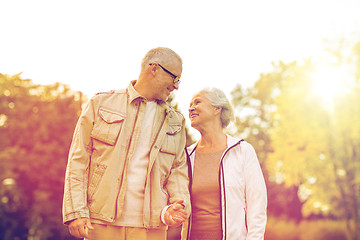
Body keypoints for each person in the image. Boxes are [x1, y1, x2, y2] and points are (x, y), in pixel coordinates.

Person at [62, 47, 191, 240]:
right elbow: (79, 159)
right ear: (153, 68)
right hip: (101, 223)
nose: (176, 86)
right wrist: (76, 211)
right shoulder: (100, 104)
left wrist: (179, 204)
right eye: (175, 78)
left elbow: (177, 170)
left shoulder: (176, 121)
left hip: (152, 227)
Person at [185, 88, 267, 240]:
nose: (191, 108)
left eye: (197, 102)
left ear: (217, 108)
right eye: (190, 105)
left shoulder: (242, 151)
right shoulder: (186, 156)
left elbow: (257, 204)